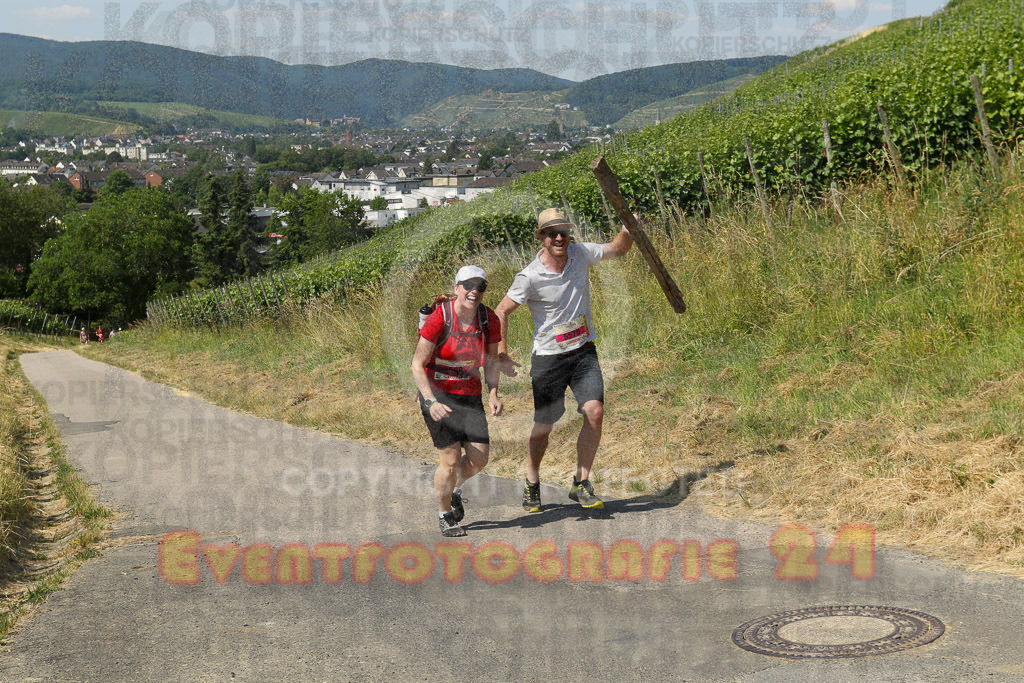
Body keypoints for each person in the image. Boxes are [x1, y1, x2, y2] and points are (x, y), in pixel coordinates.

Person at [495, 207, 634, 512]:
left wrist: (627, 227)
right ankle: (532, 481)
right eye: (552, 233)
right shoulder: (529, 276)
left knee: (594, 412)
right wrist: (501, 353)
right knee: (544, 425)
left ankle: (581, 483)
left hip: (583, 350)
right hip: (549, 358)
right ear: (541, 237)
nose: (560, 238)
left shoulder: (581, 254)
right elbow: (501, 311)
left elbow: (618, 249)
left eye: (564, 232)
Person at [411, 265, 504, 537]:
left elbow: (492, 360)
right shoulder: (440, 317)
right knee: (450, 461)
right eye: (468, 285)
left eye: (480, 286)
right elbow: (417, 364)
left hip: (470, 394)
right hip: (438, 394)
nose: (474, 291)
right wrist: (430, 401)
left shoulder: (488, 319)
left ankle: (453, 490)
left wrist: (494, 393)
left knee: (479, 459)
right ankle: (445, 515)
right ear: (457, 287)